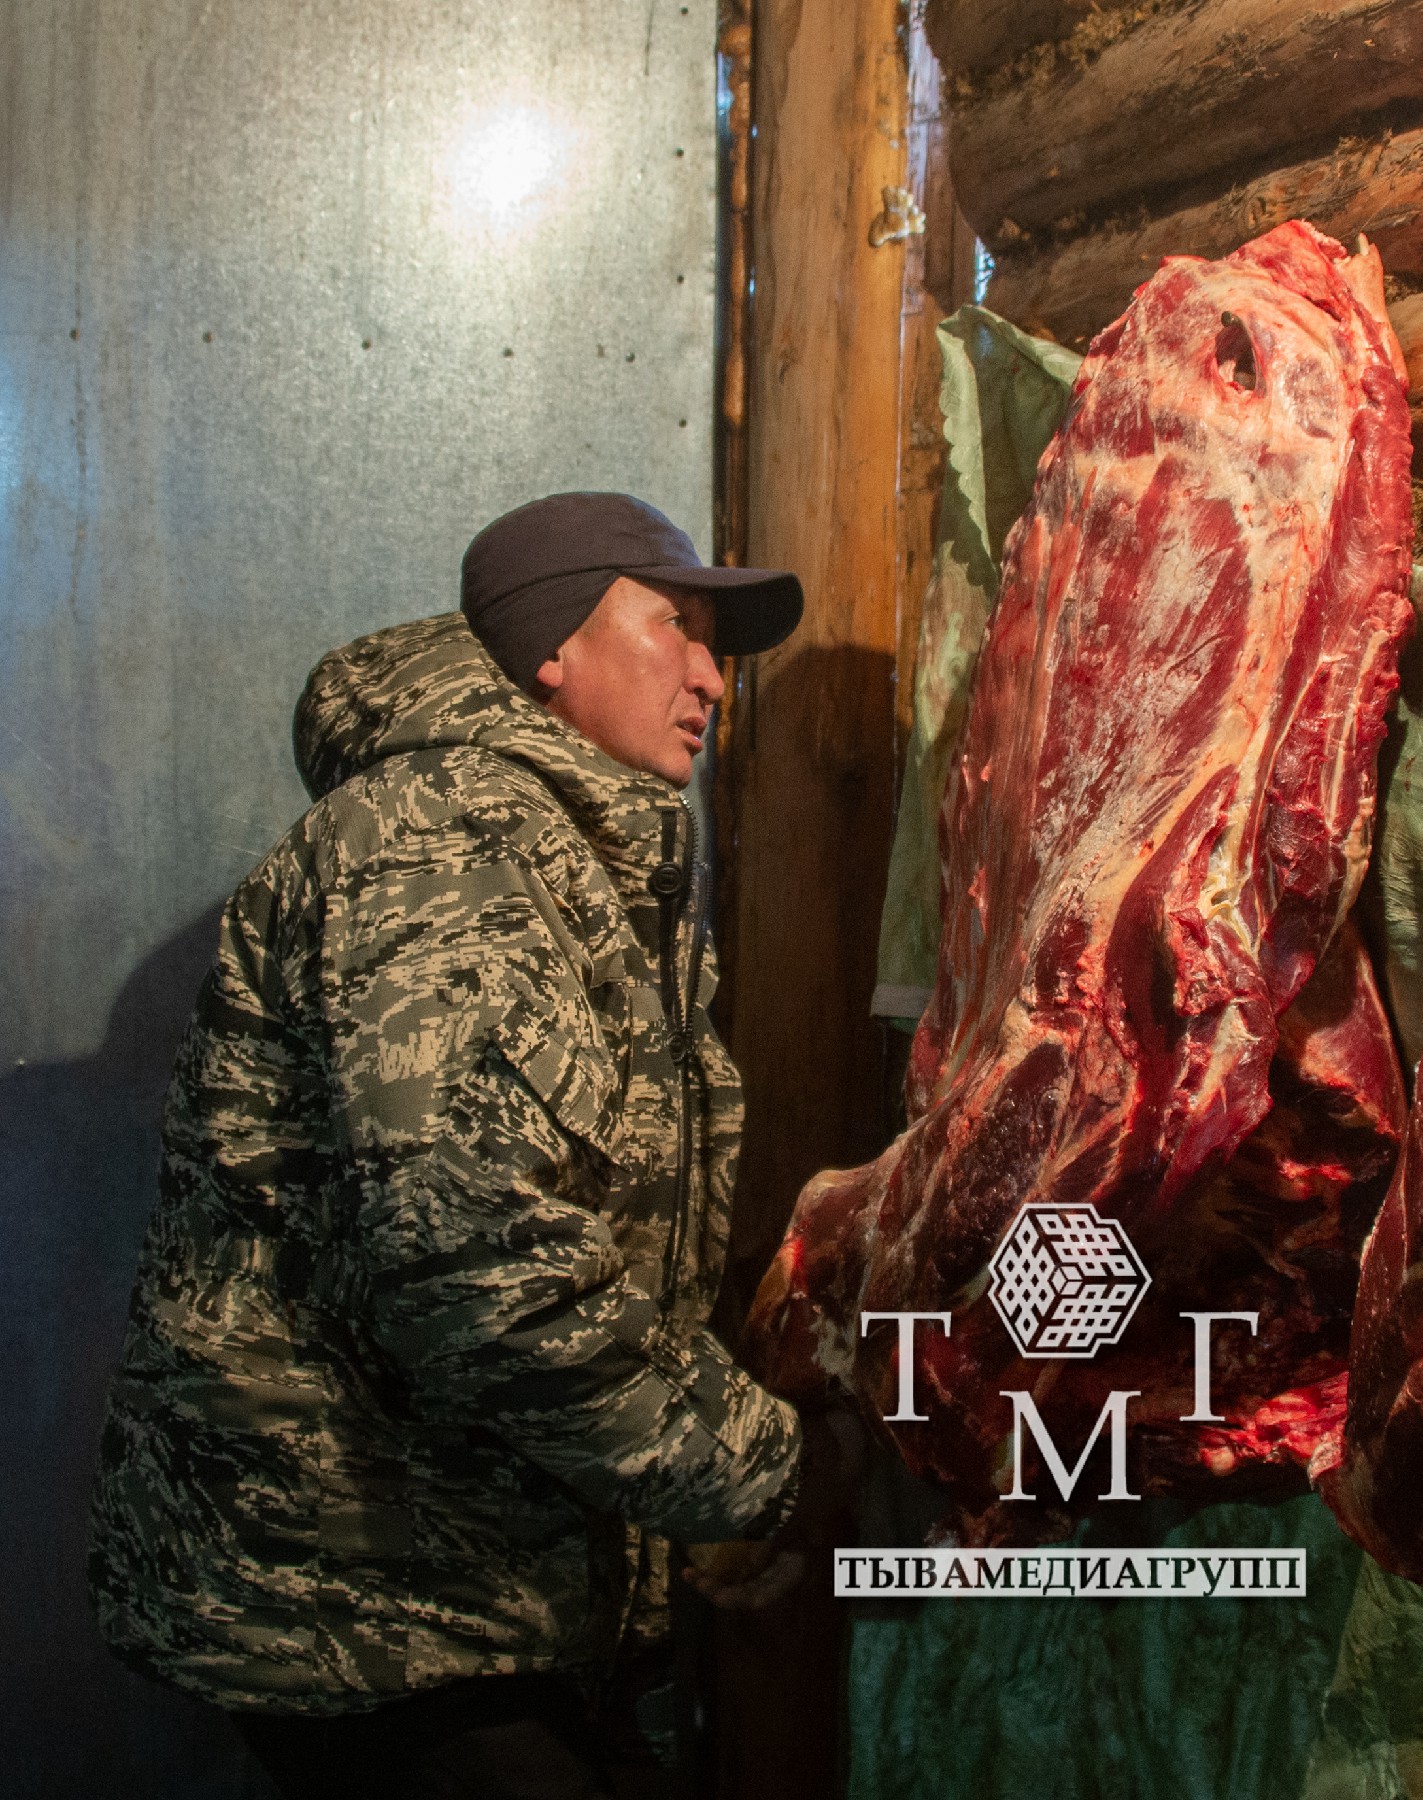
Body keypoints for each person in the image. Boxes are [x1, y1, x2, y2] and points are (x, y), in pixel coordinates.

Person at [89, 493, 859, 1798]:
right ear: (552, 644)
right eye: (677, 626)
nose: (712, 680)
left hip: (447, 1593)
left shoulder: (571, 848)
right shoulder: (451, 833)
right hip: (367, 1597)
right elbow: (480, 1263)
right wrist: (767, 1474)